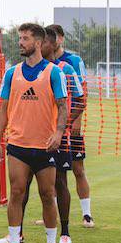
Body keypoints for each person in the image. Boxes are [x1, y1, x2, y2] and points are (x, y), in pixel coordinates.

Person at [0, 23, 69, 243]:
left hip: (45, 145)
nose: (20, 43)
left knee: (48, 194)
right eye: (20, 38)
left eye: (25, 38)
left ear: (37, 42)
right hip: (17, 145)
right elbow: (3, 109)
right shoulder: (11, 73)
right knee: (16, 192)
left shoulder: (54, 72)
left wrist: (58, 133)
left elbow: (63, 106)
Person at [50, 24, 94, 227]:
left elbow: (81, 92)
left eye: (56, 37)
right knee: (53, 174)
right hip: (52, 127)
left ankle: (87, 214)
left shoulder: (73, 61)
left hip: (70, 126)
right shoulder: (45, 62)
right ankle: (53, 214)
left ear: (61, 38)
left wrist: (76, 120)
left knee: (78, 169)